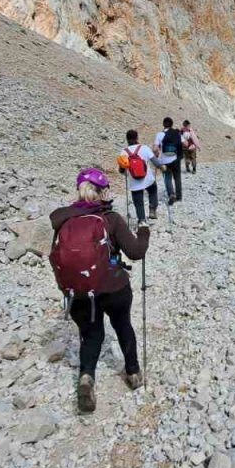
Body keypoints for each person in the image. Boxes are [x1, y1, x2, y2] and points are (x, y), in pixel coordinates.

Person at [48, 167, 149, 413]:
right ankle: (133, 373)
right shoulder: (110, 218)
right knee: (123, 326)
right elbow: (136, 252)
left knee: (91, 335)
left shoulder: (64, 220)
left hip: (80, 292)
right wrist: (144, 232)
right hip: (114, 287)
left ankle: (86, 377)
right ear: (102, 191)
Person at [117, 130, 158, 222]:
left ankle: (142, 221)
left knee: (138, 202)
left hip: (134, 182)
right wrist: (161, 166)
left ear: (127, 139)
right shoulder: (144, 148)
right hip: (148, 180)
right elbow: (155, 162)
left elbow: (121, 170)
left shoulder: (123, 152)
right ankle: (152, 209)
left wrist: (125, 170)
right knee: (153, 190)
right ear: (137, 138)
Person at [153, 117, 183, 204]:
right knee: (177, 177)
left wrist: (157, 152)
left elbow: (155, 148)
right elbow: (184, 143)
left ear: (163, 124)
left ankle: (171, 194)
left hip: (164, 161)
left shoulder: (159, 134)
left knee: (167, 178)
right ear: (172, 124)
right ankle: (179, 196)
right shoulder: (176, 133)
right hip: (175, 159)